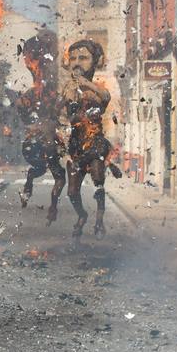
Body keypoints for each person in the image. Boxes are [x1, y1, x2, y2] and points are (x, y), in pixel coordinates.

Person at [61, 38, 122, 238]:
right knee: (71, 192)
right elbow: (60, 113)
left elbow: (105, 97)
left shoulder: (98, 86)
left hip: (95, 143)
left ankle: (99, 220)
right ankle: (82, 215)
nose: (77, 62)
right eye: (74, 58)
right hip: (76, 146)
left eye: (84, 58)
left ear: (94, 62)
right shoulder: (68, 89)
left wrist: (85, 84)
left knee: (98, 180)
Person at [16, 29, 66, 222]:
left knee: (40, 170)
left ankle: (29, 185)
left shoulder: (38, 88)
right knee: (58, 175)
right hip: (44, 139)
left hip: (34, 139)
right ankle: (53, 207)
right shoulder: (44, 88)